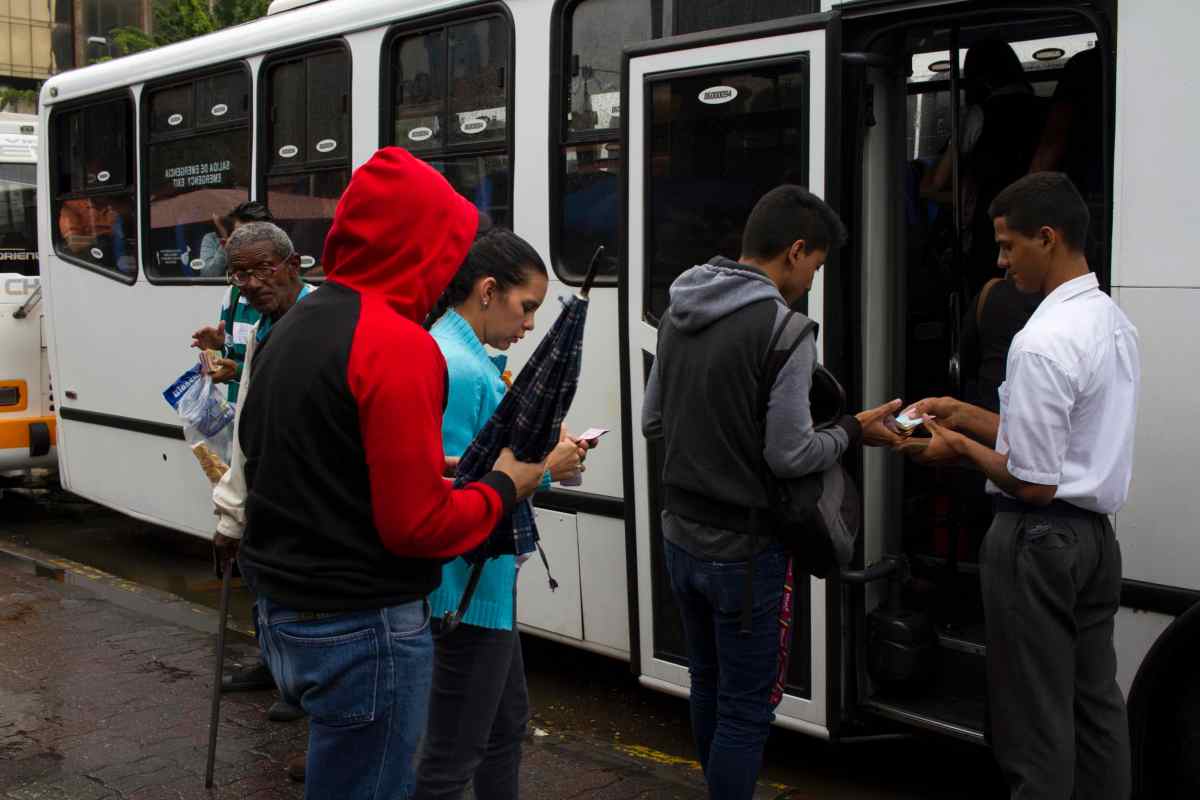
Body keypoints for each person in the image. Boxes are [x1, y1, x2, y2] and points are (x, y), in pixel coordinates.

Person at [213, 147, 545, 799]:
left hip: (285, 612)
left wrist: (436, 465)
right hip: (361, 626)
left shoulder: (294, 323)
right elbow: (417, 526)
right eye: (448, 246)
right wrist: (508, 483)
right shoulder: (397, 344)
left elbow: (296, 454)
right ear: (419, 244)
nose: (453, 266)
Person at [641, 185, 903, 799]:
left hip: (679, 535)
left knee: (705, 682)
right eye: (814, 265)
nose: (812, 278)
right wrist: (850, 430)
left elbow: (654, 421)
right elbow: (790, 455)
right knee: (746, 709)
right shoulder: (785, 330)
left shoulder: (681, 307)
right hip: (745, 552)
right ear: (794, 251)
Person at [899, 173, 1139, 800]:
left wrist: (958, 448)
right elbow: (1061, 441)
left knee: (1033, 725)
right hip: (1094, 542)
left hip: (1038, 541)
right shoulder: (1110, 321)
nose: (1001, 263)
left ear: (1048, 238)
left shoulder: (1039, 341)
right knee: (1096, 709)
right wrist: (965, 412)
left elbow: (1032, 480)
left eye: (1008, 246)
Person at [414, 228, 590, 800]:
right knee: (453, 759)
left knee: (502, 728)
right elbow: (459, 488)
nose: (530, 325)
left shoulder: (455, 351)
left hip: (478, 586)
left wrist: (540, 457)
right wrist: (544, 467)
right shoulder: (459, 365)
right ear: (488, 290)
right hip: (464, 590)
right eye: (527, 307)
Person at [198, 221, 314, 726]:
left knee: (301, 595)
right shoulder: (258, 315)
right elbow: (249, 407)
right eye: (239, 274)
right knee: (265, 585)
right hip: (264, 479)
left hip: (305, 490)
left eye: (263, 269)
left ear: (294, 265)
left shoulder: (315, 318)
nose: (251, 282)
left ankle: (303, 688)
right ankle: (280, 671)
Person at [189, 202, 276, 405]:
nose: (244, 247)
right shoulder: (233, 294)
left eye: (254, 239)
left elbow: (289, 371)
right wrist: (219, 348)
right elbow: (230, 360)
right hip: (240, 420)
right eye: (238, 239)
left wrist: (237, 371)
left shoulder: (297, 299)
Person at [198, 201, 273, 278]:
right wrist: (224, 234)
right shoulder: (213, 239)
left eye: (255, 237)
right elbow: (209, 275)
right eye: (240, 236)